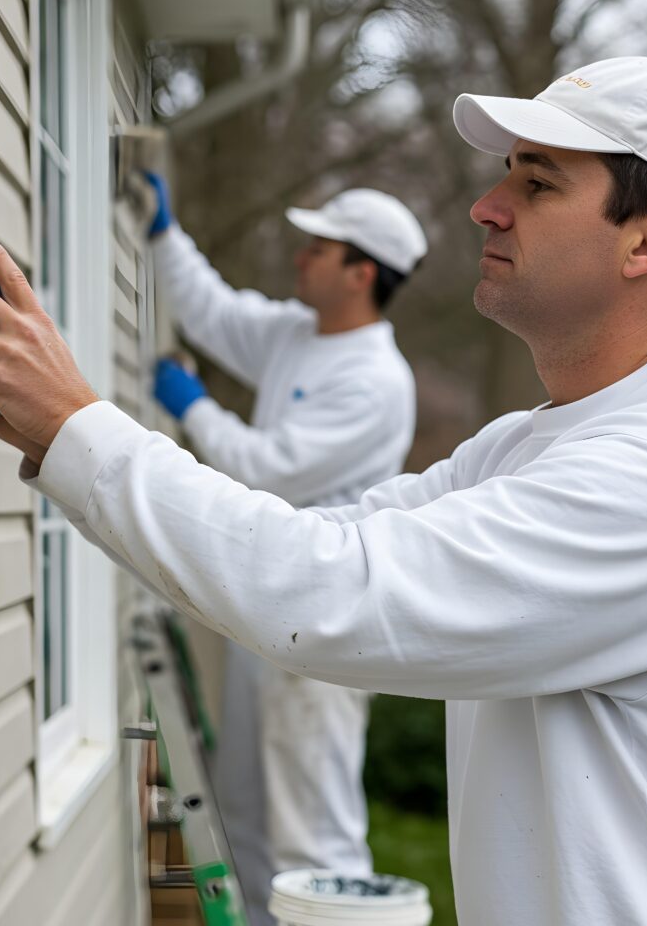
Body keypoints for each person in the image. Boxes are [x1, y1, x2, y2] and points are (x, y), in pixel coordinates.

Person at [0, 55, 647, 925]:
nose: (486, 206)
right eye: (506, 177)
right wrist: (64, 433)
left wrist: (81, 426)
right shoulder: (527, 444)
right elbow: (330, 542)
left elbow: (326, 591)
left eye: (537, 185)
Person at [143, 181, 427, 921]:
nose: (300, 259)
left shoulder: (374, 381)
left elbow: (264, 467)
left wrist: (192, 405)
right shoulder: (298, 334)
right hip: (263, 606)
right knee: (244, 808)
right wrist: (165, 234)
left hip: (325, 630)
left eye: (319, 249)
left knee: (314, 832)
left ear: (361, 273)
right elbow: (215, 311)